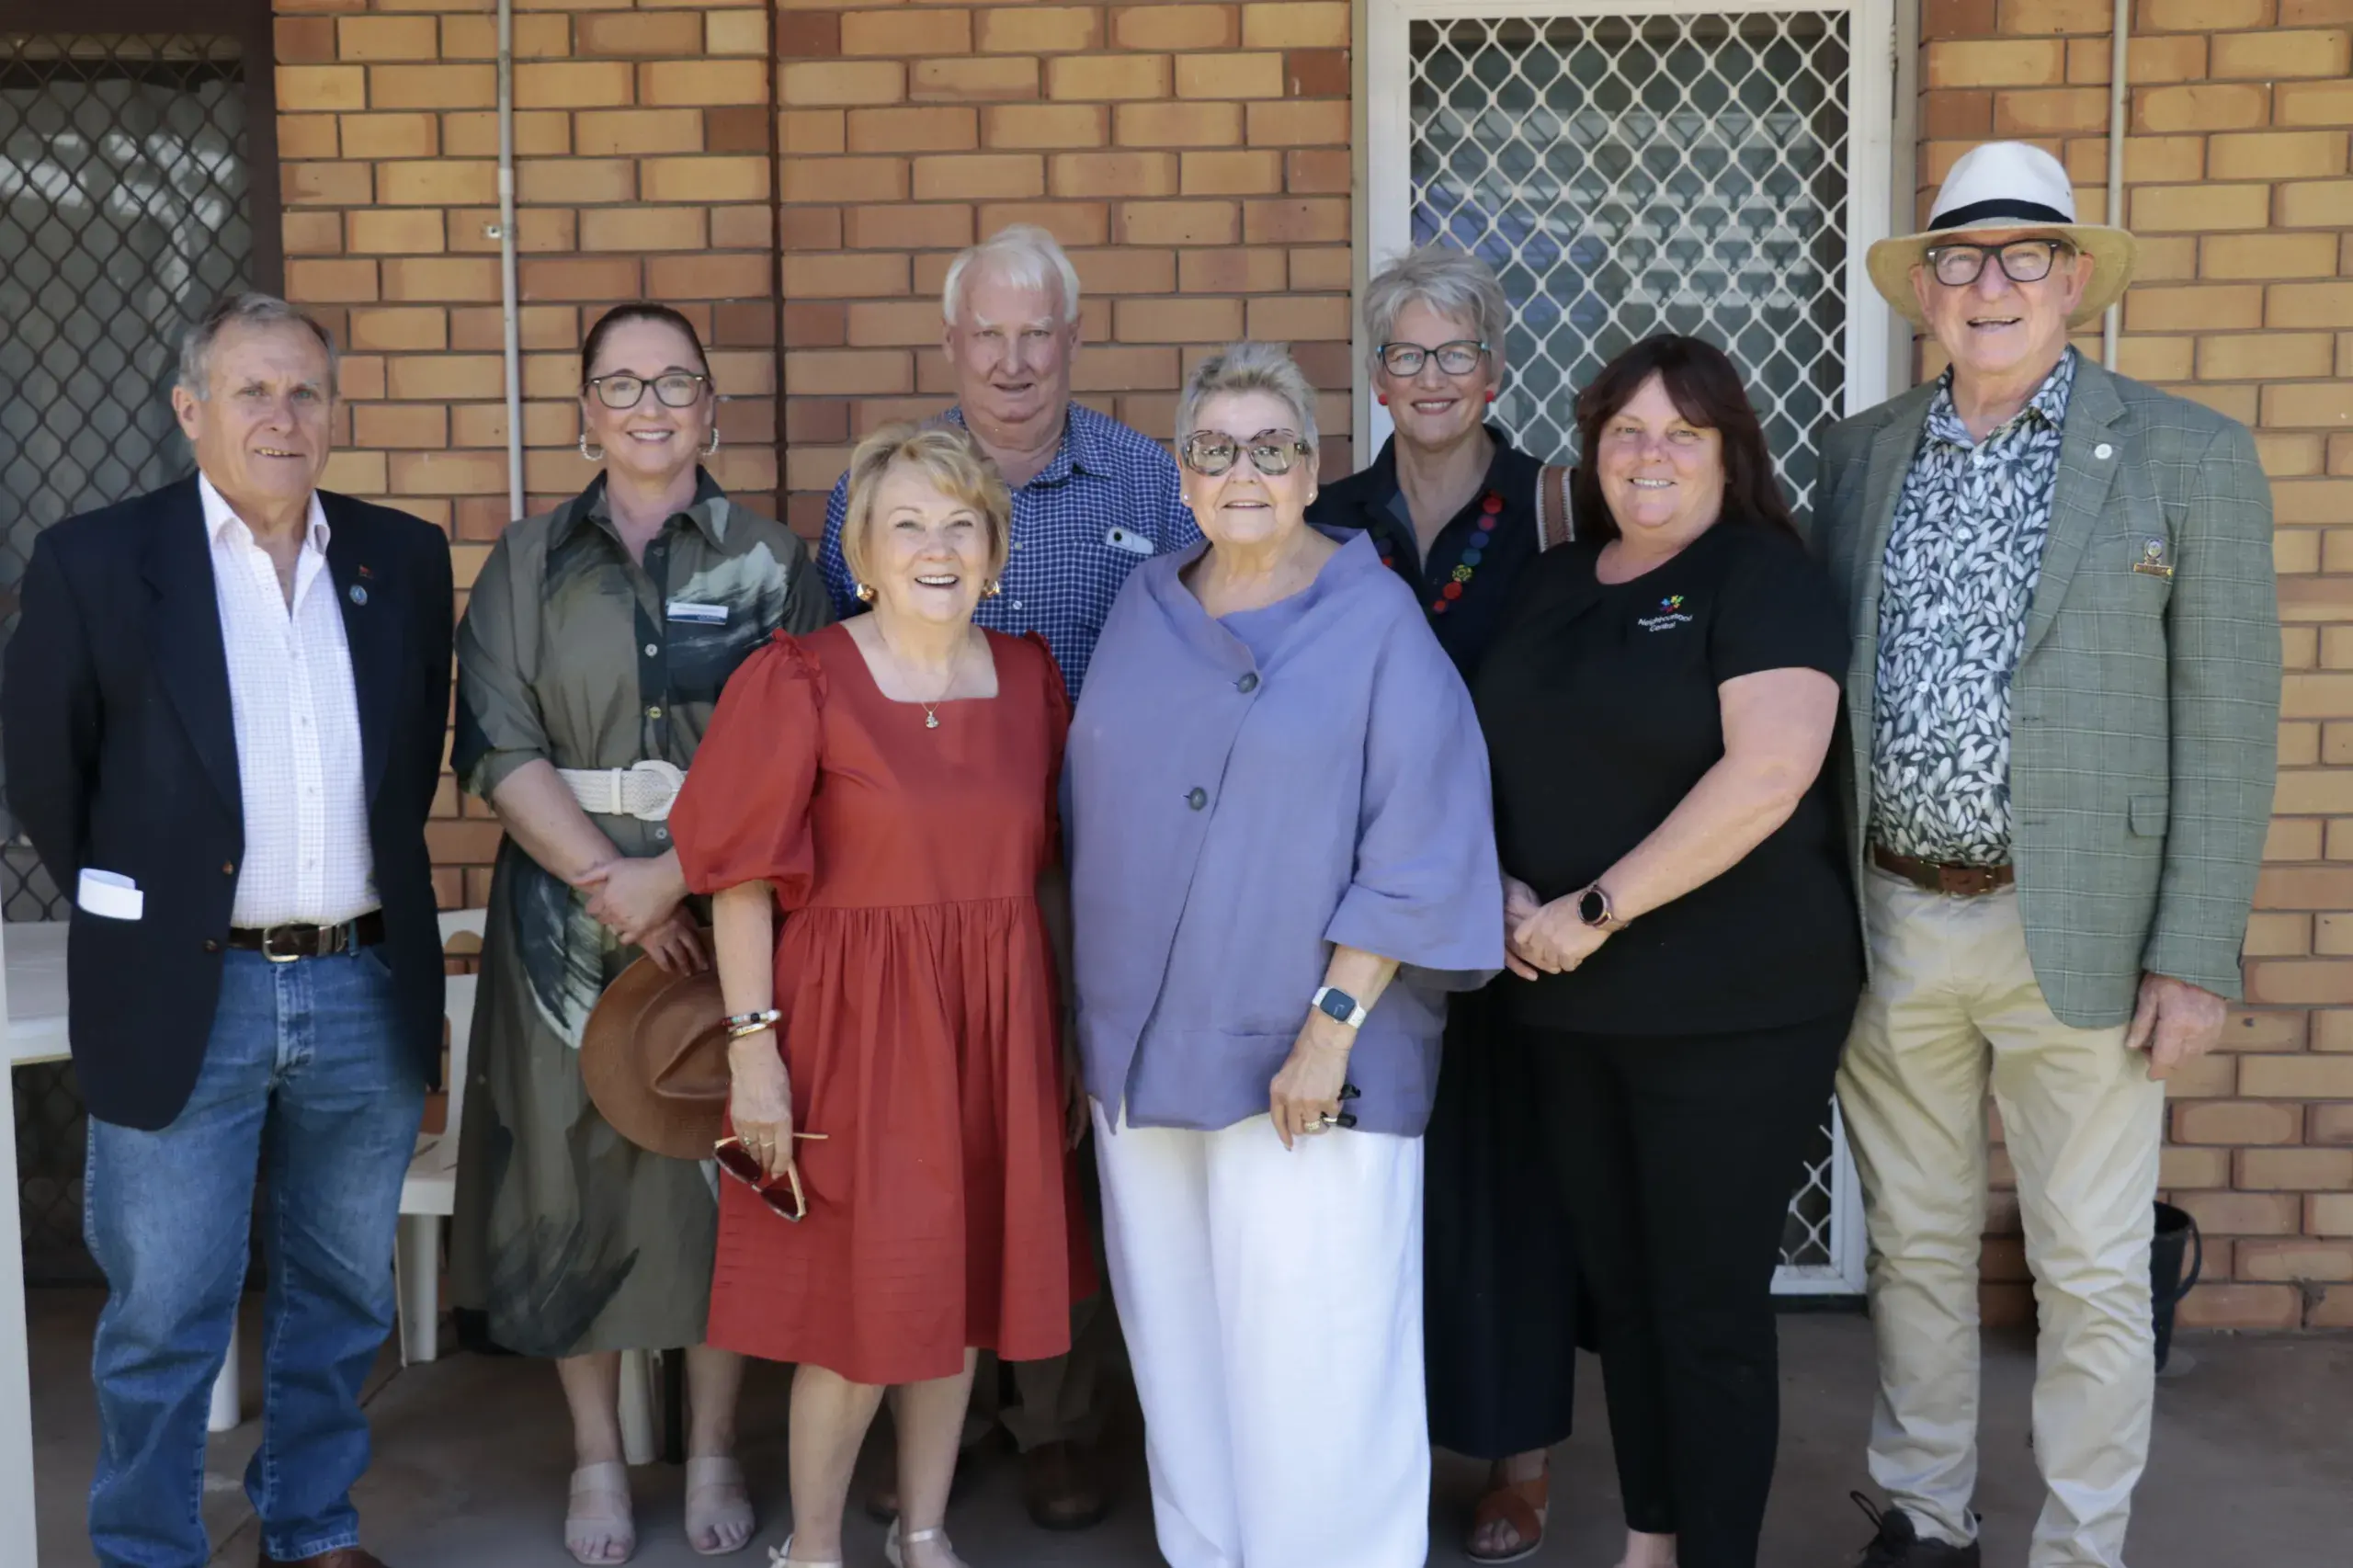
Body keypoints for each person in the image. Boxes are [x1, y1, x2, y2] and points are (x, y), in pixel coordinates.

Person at [1816, 142, 2279, 1568]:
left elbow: (2229, 718)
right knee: (1914, 1248)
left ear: (2074, 280)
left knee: (2087, 1269)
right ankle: (1925, 1514)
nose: (1993, 283)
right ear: (1925, 291)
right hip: (1895, 913)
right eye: (1962, 257)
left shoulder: (2186, 454)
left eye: (2026, 255)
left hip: (2082, 927)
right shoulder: (1861, 450)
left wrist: (2195, 951)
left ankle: (2082, 1546)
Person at [1, 292, 453, 1568]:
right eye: (251, 392)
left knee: (346, 1292)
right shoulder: (97, 560)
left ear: (336, 410)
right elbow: (46, 770)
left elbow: (406, 761)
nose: (282, 416)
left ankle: (310, 1526)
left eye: (305, 390)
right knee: (165, 1306)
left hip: (363, 978)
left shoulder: (400, 556)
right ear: (190, 409)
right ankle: (148, 1545)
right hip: (183, 988)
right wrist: (152, 897)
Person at [1066, 340, 1503, 1568]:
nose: (1242, 470)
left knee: (1314, 1358)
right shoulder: (1146, 606)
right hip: (1145, 1054)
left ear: (1312, 468)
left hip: (1308, 1059)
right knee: (1183, 1349)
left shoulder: (1374, 620)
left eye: (1270, 447)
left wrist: (1330, 1029)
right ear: (1183, 471)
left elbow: (1421, 841)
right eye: (1215, 448)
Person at [816, 220, 1196, 1528]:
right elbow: (844, 672)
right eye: (991, 332)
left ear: (1075, 341)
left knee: (1056, 1140)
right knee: (927, 1140)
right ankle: (943, 1396)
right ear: (952, 343)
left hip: (1098, 870)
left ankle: (1058, 1414)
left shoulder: (1148, 484)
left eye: (1040, 332)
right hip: (929, 872)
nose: (1016, 359)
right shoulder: (889, 485)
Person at [669, 422, 1093, 1568]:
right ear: (861, 548)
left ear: (996, 550)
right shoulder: (801, 677)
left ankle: (922, 1529)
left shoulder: (1031, 677)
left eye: (961, 522)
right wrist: (754, 1048)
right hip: (854, 1036)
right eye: (906, 522)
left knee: (956, 1304)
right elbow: (742, 878)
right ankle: (812, 1549)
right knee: (862, 1317)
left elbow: (1044, 875)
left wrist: (1054, 1035)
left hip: (994, 1028)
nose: (936, 546)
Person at [448, 301, 832, 1562]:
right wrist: (613, 877)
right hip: (566, 918)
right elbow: (498, 740)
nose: (652, 405)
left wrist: (681, 875)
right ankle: (599, 1456)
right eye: (623, 384)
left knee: (715, 1166)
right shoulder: (522, 564)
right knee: (571, 1173)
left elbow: (811, 756)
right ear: (584, 414)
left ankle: (716, 1438)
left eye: (677, 383)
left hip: (728, 911)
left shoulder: (777, 563)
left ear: (713, 409)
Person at [1475, 334, 1860, 1568]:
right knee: (1625, 1299)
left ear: (1727, 450)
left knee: (1705, 1309)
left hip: (1731, 1012)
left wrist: (1591, 909)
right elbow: (1476, 758)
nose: (1650, 456)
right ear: (1593, 448)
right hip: (1569, 1010)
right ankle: (1652, 1540)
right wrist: (1492, 884)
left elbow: (1768, 776)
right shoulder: (1549, 583)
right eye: (1626, 431)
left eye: (1681, 434)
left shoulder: (1762, 576)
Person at [1308, 239, 1577, 1564]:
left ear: (1495, 368)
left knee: (1512, 1179)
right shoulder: (1331, 516)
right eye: (1405, 353)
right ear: (1375, 375)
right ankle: (1385, 1445)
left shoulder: (1556, 509)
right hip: (1370, 901)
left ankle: (1518, 1460)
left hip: (1524, 898)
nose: (1430, 375)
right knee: (1383, 1185)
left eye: (1454, 352)